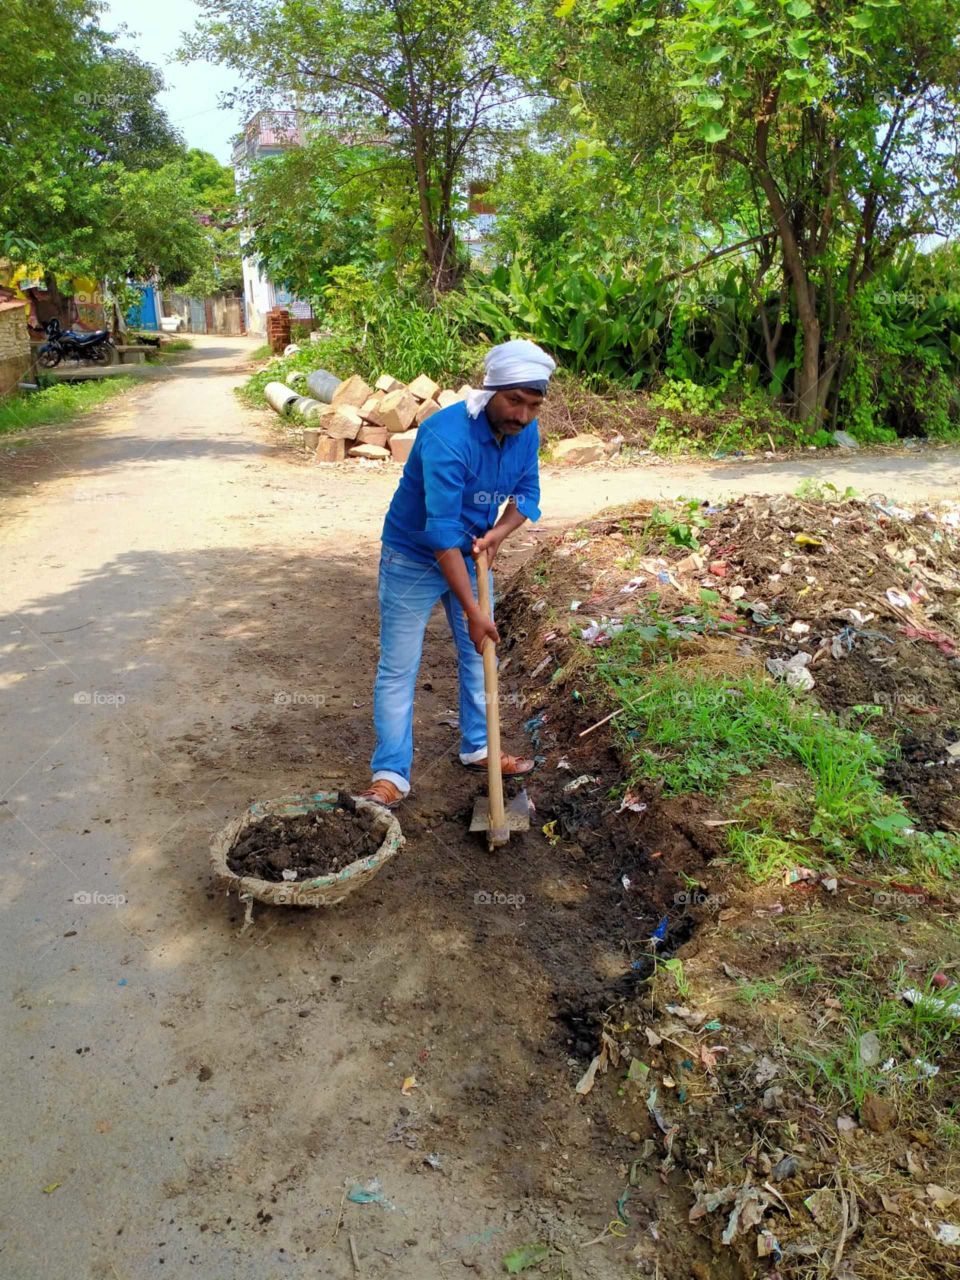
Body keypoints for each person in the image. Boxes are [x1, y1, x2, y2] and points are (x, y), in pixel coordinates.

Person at [360, 339, 556, 809]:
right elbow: (443, 533)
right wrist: (472, 609)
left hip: (471, 553)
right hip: (413, 555)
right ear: (491, 391)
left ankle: (479, 748)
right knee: (398, 667)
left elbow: (527, 496)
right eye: (514, 402)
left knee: (478, 657)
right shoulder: (446, 438)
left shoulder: (525, 433)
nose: (523, 416)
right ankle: (390, 773)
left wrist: (496, 537)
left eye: (533, 406)